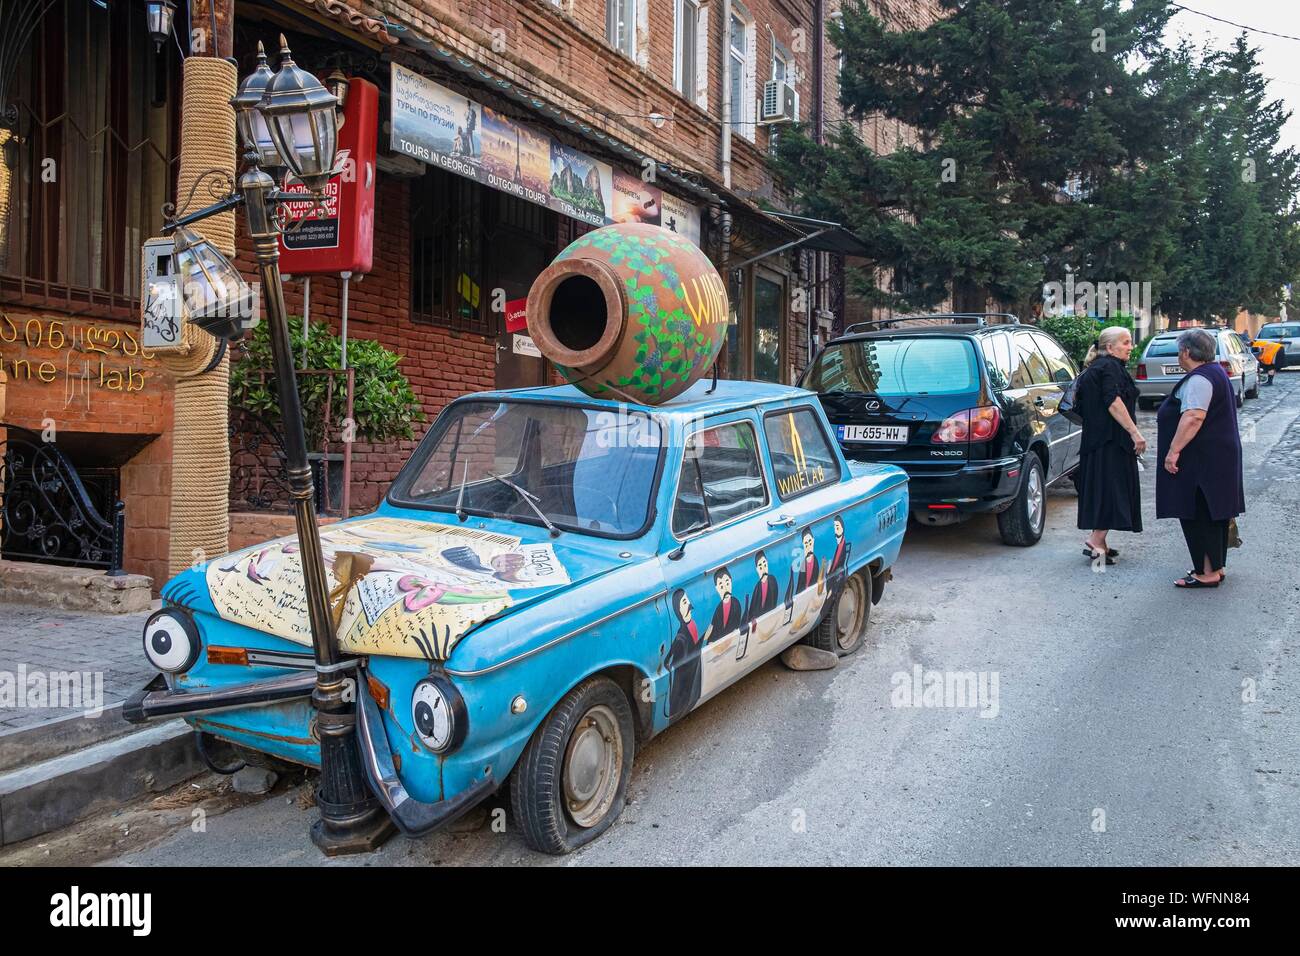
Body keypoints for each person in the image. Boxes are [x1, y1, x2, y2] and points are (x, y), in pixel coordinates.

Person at [1156, 329, 1245, 588]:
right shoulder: (1215, 371)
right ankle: (1216, 566)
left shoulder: (1198, 379)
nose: (1178, 357)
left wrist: (1173, 451)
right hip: (1218, 455)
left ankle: (1206, 572)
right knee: (1214, 510)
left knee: (1199, 511)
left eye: (1178, 351)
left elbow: (1194, 416)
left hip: (1202, 458)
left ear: (1186, 352)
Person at [1074, 326, 1146, 563]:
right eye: (1125, 343)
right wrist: (1135, 434)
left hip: (1098, 442)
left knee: (1104, 488)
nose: (1130, 347)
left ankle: (1101, 542)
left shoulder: (1098, 367)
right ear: (1109, 347)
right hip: (1111, 442)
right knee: (1113, 489)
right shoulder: (1109, 368)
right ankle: (1096, 539)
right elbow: (1113, 402)